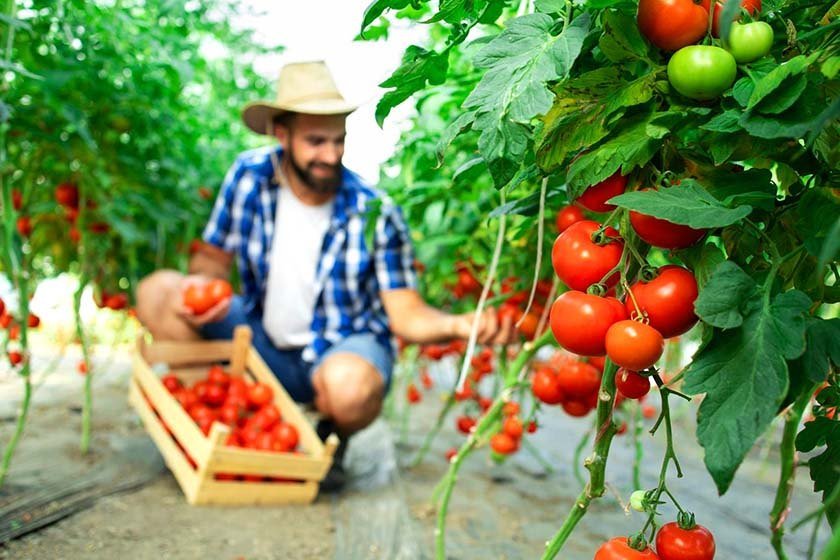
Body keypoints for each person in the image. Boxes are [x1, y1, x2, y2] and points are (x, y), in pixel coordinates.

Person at [135, 61, 516, 491]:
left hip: (339, 351)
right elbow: (210, 259)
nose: (330, 155)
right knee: (157, 292)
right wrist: (200, 289)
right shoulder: (249, 178)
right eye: (316, 142)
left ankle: (332, 439)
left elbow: (404, 313)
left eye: (339, 141)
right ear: (282, 134)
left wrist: (457, 325)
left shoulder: (375, 210)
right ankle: (213, 421)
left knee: (350, 387)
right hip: (263, 346)